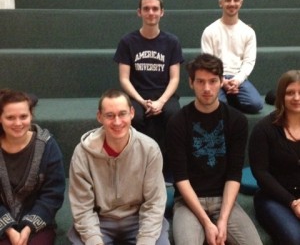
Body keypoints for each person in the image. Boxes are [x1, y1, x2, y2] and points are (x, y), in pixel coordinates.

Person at [166, 53, 262, 245]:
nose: (207, 88)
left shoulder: (236, 120)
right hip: (188, 203)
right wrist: (207, 222)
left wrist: (223, 220)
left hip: (224, 200)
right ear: (191, 83)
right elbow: (181, 178)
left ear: (221, 82)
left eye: (212, 81)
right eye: (200, 82)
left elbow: (234, 174)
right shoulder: (177, 122)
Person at [68, 89, 170, 245]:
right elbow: (82, 208)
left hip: (138, 219)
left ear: (132, 113)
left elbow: (154, 203)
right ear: (99, 117)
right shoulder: (82, 153)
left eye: (122, 114)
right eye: (110, 115)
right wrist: (95, 241)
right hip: (100, 221)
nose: (117, 122)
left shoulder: (149, 149)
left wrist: (146, 240)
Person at [113, 0, 184, 157]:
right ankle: (138, 164)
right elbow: (124, 79)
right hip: (137, 95)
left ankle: (168, 167)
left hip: (164, 94)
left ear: (162, 12)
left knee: (174, 116)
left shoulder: (172, 41)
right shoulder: (127, 41)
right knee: (135, 117)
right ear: (139, 12)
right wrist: (141, 101)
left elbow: (175, 78)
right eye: (146, 9)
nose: (151, 13)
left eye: (155, 9)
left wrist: (161, 102)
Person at [0, 89, 65, 245]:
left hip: (37, 225)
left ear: (31, 116)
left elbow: (52, 194)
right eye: (10, 117)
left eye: (23, 116)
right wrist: (9, 229)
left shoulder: (47, 145)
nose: (18, 123)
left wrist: (28, 228)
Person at [249, 70, 300, 244]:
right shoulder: (264, 129)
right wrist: (292, 202)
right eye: (290, 93)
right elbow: (261, 173)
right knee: (295, 239)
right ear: (280, 96)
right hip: (274, 198)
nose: (296, 98)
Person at [201, 0, 263, 114]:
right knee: (214, 105)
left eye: (236, 0)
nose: (232, 3)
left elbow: (249, 61)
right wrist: (222, 81)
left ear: (241, 3)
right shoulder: (210, 30)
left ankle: (229, 99)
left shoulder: (248, 32)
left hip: (238, 78)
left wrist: (237, 80)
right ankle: (229, 100)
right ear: (221, 3)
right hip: (215, 77)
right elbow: (208, 62)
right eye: (228, 0)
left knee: (256, 104)